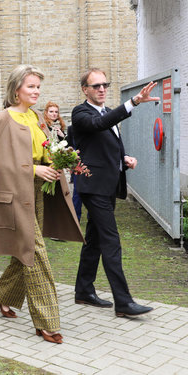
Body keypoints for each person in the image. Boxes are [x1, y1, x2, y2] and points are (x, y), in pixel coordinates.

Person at [0, 65, 83, 344]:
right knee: (36, 252)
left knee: (25, 248)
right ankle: (46, 322)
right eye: (31, 86)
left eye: (38, 87)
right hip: (15, 194)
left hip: (40, 192)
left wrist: (57, 160)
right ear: (16, 89)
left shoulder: (37, 117)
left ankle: (3, 295)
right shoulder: (3, 120)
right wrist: (33, 170)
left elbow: (47, 147)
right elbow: (0, 163)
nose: (36, 91)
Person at [71, 68, 158, 317]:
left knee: (95, 240)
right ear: (85, 89)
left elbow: (108, 143)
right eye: (96, 85)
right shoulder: (82, 113)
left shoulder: (108, 112)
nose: (101, 89)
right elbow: (98, 126)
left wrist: (124, 157)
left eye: (104, 85)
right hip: (93, 186)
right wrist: (134, 102)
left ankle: (83, 290)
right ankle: (123, 302)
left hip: (108, 185)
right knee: (111, 241)